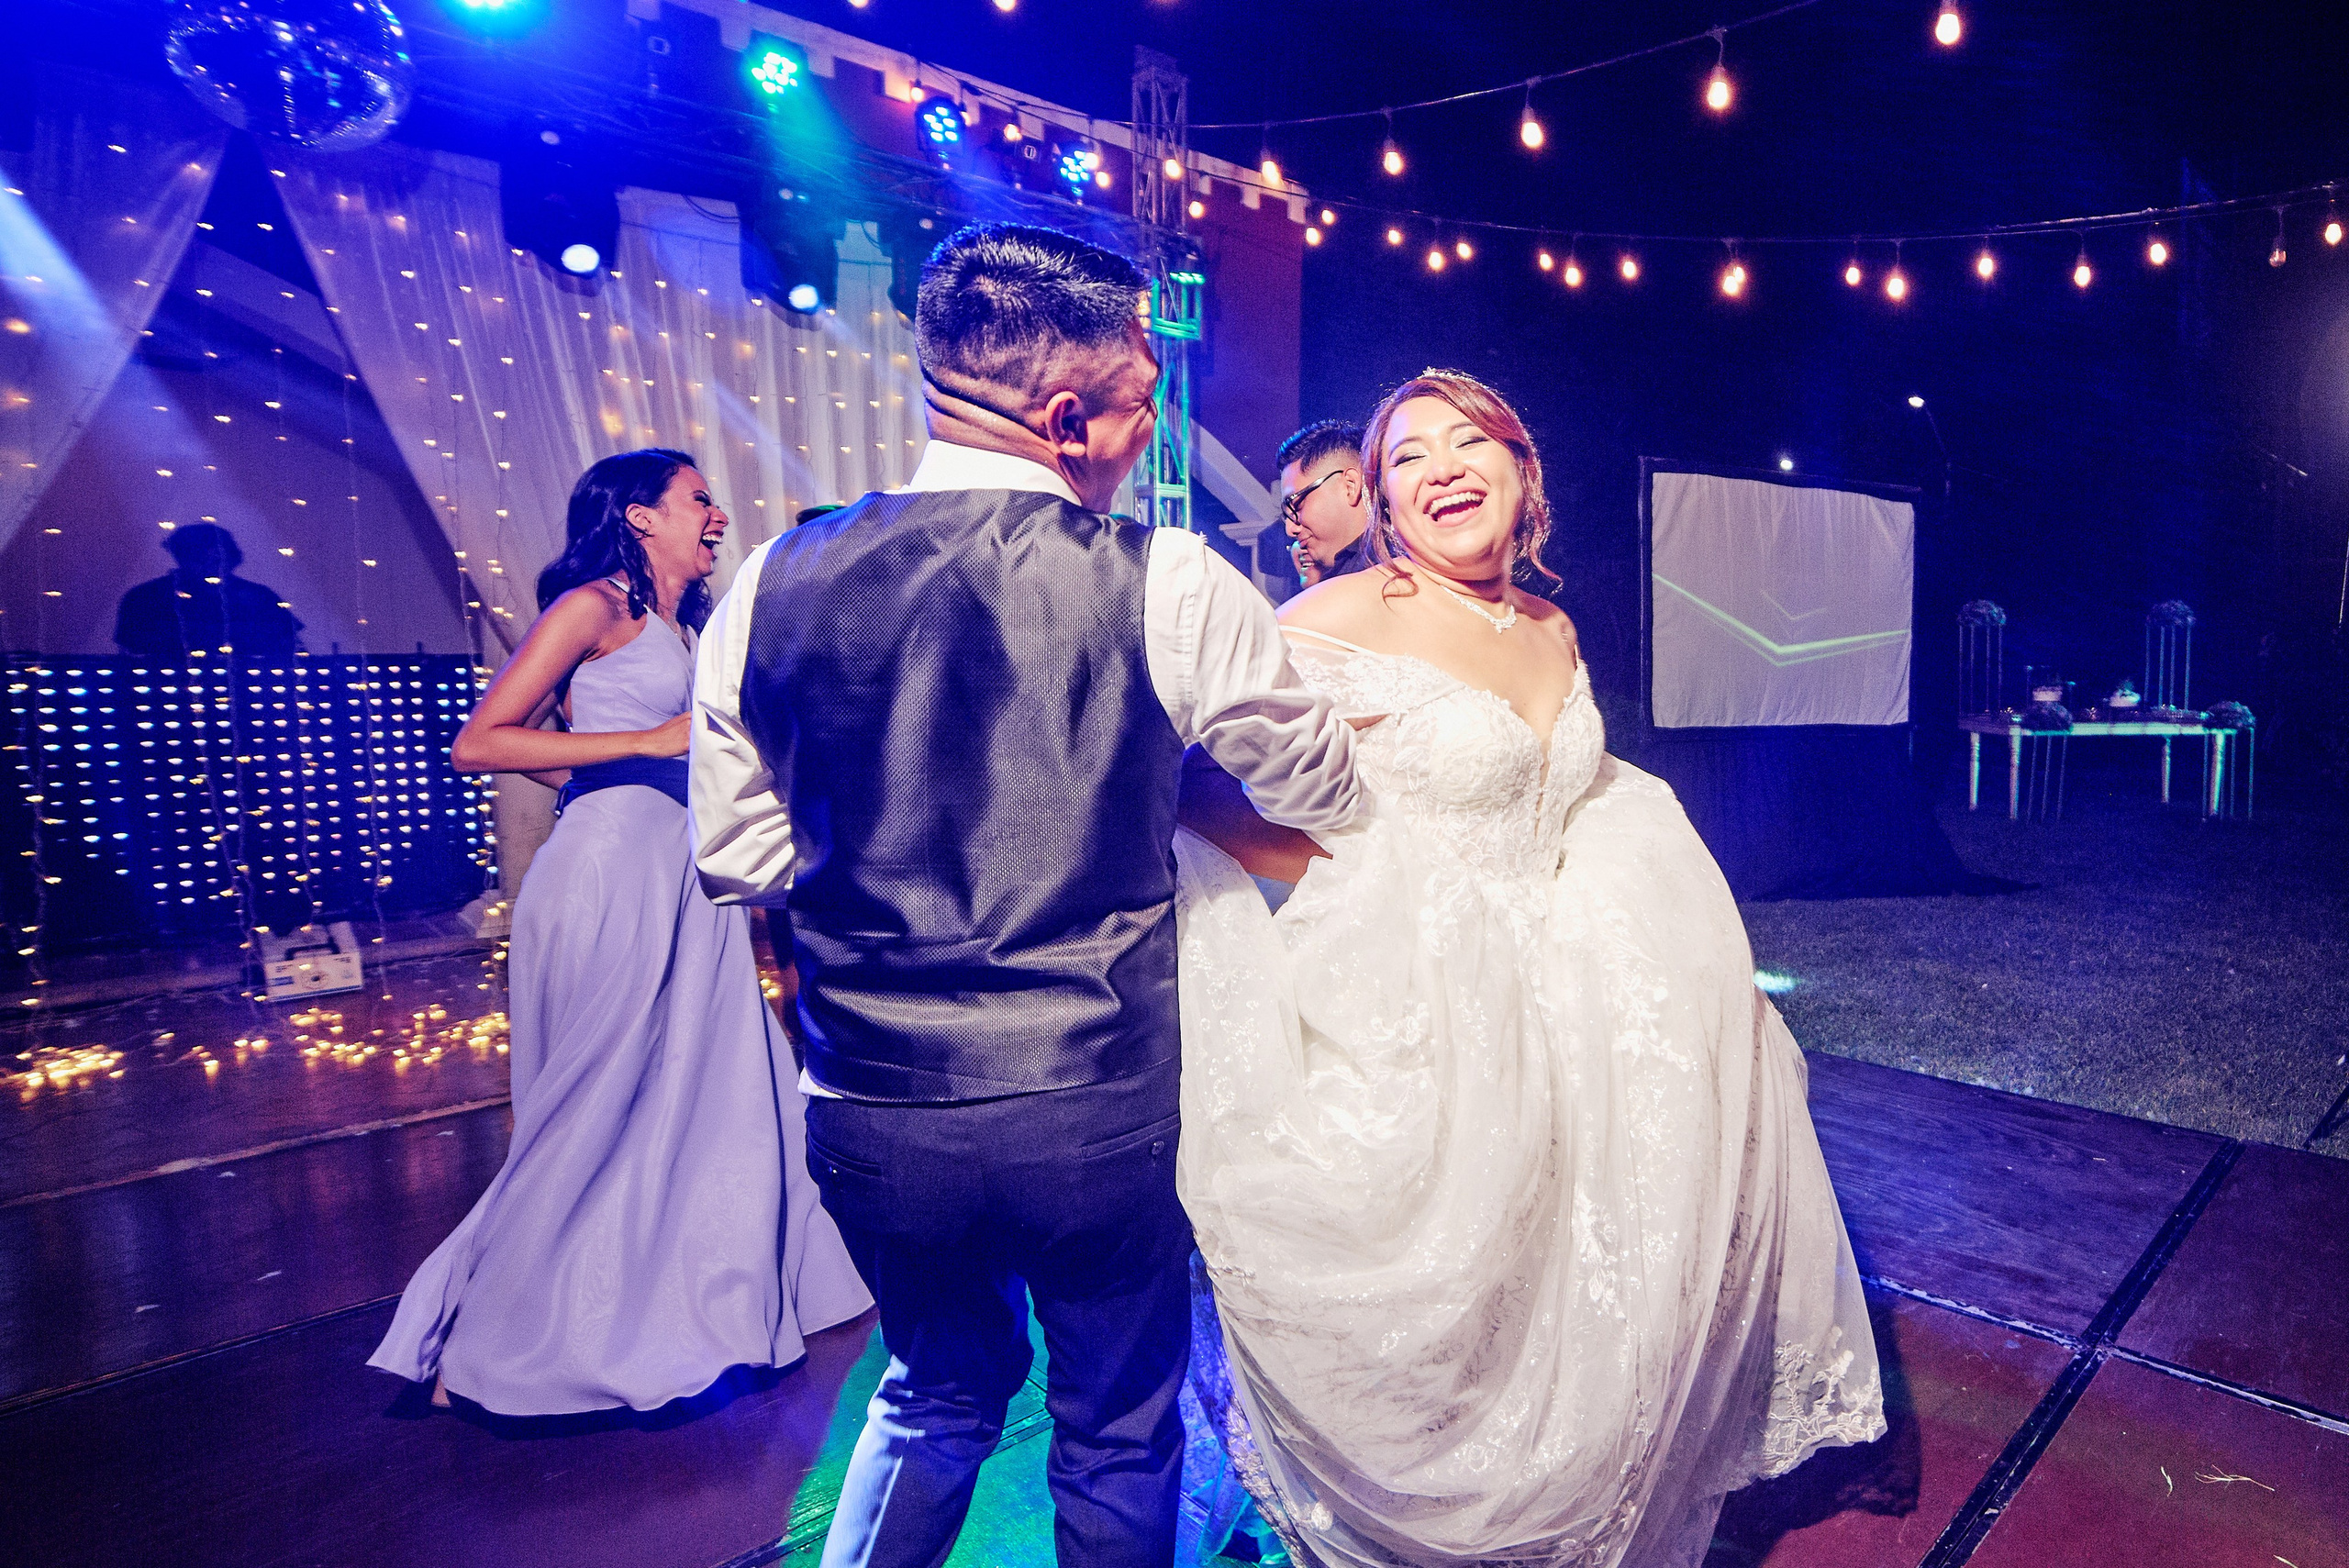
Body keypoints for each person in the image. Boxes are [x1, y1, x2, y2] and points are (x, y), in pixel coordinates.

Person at [690, 222, 1361, 1568]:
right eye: (1139, 401)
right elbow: (1324, 789)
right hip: (1096, 1103)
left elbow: (743, 861)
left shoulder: (768, 582)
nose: (1141, 429)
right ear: (1068, 415)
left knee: (931, 1394)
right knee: (1117, 1427)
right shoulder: (1167, 580)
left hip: (872, 1107)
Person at [1171, 371, 1885, 1568]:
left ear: (1522, 471)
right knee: (1425, 1316)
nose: (1443, 467)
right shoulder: (1340, 618)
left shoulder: (1550, 628)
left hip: (1564, 1006)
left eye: (1470, 443)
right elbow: (1191, 770)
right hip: (1409, 1005)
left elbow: (1572, 800)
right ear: (1385, 503)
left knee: (1591, 1306)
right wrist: (1347, 858)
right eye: (1407, 457)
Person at [369, 448, 870, 1415]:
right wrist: (636, 756)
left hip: (679, 877)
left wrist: (645, 778)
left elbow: (594, 751)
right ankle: (493, 1333)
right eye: (697, 498)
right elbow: (482, 740)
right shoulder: (591, 605)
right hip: (607, 881)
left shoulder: (681, 626)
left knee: (703, 1092)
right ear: (640, 516)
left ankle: (690, 1305)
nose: (717, 514)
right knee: (594, 1105)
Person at [113, 522, 303, 662]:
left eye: (218, 560)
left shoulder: (261, 597)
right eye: (200, 558)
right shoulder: (146, 598)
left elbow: (294, 648)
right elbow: (130, 655)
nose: (211, 566)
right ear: (182, 557)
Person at [1275, 418, 1372, 584]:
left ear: (1351, 485)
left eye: (1298, 505)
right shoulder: (1344, 577)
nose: (1290, 529)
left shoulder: (1390, 574)